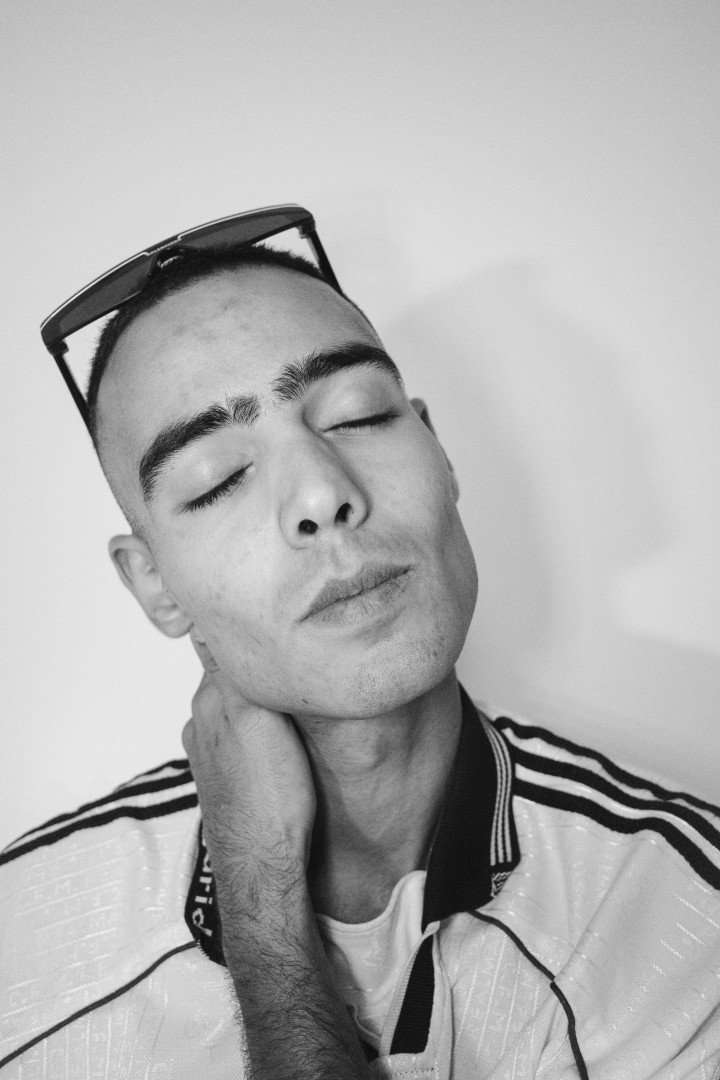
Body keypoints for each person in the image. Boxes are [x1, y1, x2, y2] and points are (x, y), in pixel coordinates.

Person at [1, 207, 719, 1080]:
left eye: (357, 416)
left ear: (439, 452)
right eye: (219, 477)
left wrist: (262, 908)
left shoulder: (683, 914)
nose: (320, 494)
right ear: (154, 582)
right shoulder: (22, 939)